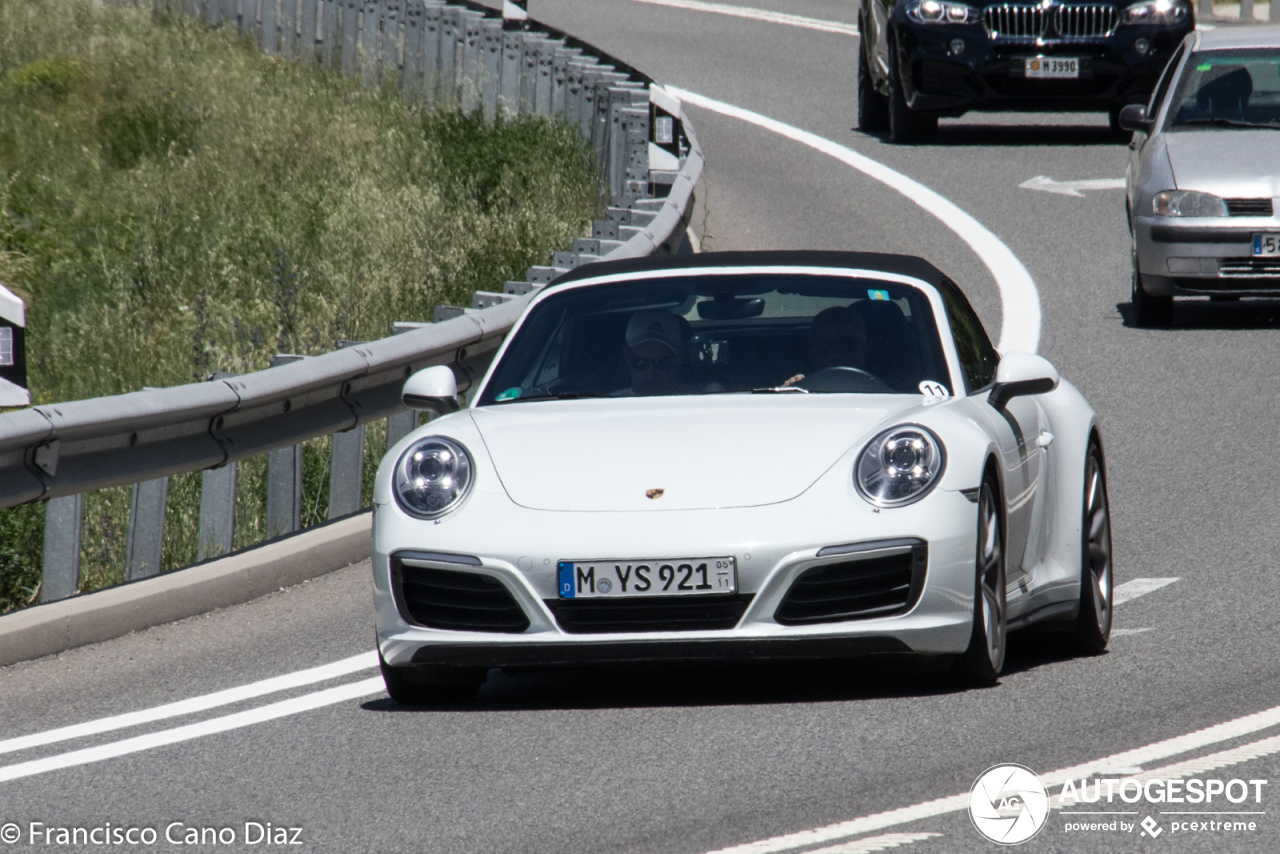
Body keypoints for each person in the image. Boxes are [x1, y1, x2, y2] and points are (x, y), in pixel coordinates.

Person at [781, 306, 869, 387]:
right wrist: (788, 393)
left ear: (864, 351)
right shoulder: (800, 389)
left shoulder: (882, 396)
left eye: (846, 346)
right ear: (813, 353)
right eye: (824, 347)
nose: (835, 356)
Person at [620, 308, 691, 396]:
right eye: (641, 363)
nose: (651, 375)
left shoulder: (702, 402)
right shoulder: (607, 406)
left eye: (663, 363)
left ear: (680, 356)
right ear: (627, 355)